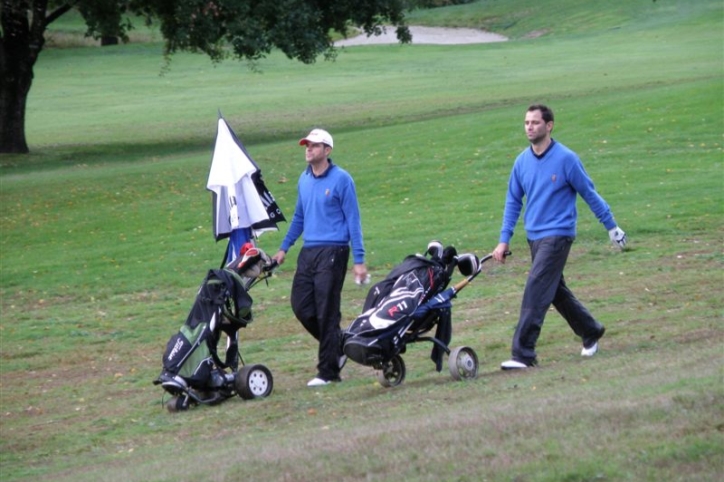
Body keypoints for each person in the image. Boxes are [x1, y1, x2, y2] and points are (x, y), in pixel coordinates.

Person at [492, 104, 627, 370]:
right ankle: (590, 330)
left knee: (535, 288)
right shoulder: (521, 162)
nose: (529, 127)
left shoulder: (566, 159)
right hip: (535, 237)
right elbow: (513, 202)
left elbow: (589, 193)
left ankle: (523, 355)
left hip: (559, 235)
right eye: (526, 123)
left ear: (549, 125)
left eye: (535, 122)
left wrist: (611, 226)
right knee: (554, 291)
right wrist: (504, 239)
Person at [272, 128, 368, 386]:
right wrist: (284, 248)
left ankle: (328, 372)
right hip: (309, 252)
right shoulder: (303, 180)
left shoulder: (342, 180)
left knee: (327, 311)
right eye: (307, 145)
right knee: (301, 306)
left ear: (327, 150)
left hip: (334, 251)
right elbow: (299, 218)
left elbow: (353, 221)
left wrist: (359, 260)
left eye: (315, 146)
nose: (308, 149)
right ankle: (337, 345)